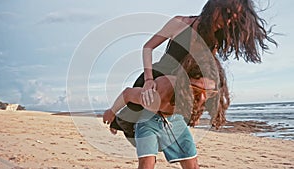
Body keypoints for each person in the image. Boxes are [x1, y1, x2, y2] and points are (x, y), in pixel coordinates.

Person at [110, 0, 277, 138]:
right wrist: (148, 80)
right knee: (129, 118)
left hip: (179, 90)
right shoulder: (181, 23)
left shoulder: (215, 41)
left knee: (157, 133)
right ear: (214, 6)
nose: (226, 22)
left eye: (232, 19)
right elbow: (147, 47)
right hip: (156, 78)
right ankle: (117, 121)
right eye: (225, 14)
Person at [103, 54, 219, 169]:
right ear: (184, 84)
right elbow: (128, 94)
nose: (203, 98)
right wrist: (112, 112)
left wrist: (196, 116)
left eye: (208, 92)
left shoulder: (208, 96)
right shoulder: (160, 92)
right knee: (146, 164)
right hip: (149, 121)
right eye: (196, 90)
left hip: (175, 121)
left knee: (192, 165)